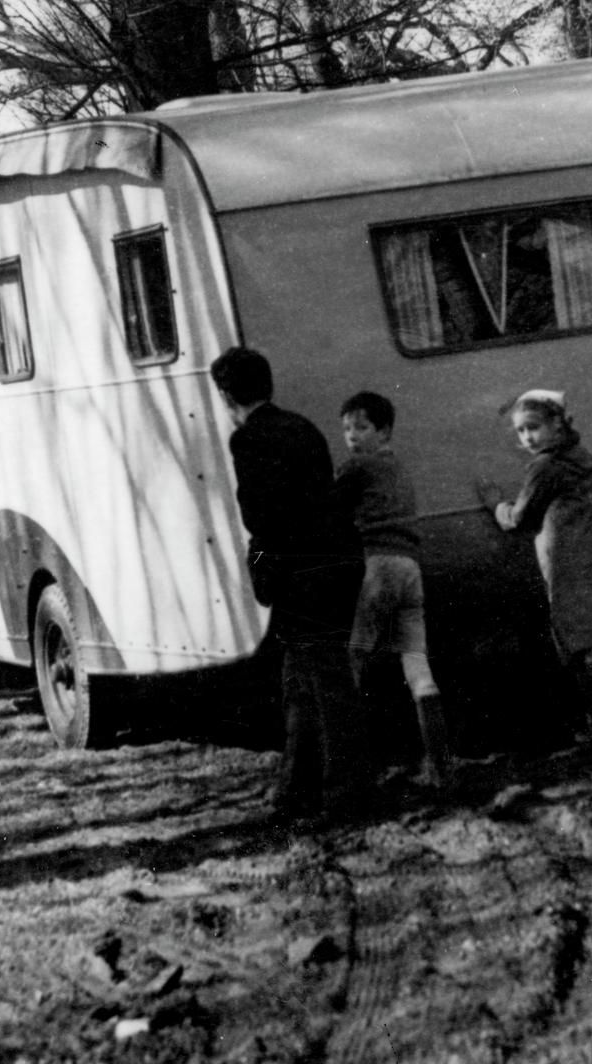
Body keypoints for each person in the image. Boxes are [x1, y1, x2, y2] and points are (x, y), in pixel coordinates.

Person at [211, 346, 368, 825]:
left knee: (320, 684)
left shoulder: (248, 440)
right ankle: (295, 789)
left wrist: (258, 567)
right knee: (303, 681)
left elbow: (259, 519)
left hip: (299, 572)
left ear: (225, 395)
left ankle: (345, 796)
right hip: (336, 560)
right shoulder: (303, 426)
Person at [335, 390, 454, 792]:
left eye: (361, 427)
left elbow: (331, 507)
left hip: (379, 565)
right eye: (347, 428)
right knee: (417, 664)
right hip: (409, 566)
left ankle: (355, 766)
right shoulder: (398, 467)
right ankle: (439, 766)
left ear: (383, 430)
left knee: (352, 660)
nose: (352, 436)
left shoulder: (357, 467)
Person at [490, 389, 592, 743]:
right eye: (520, 432)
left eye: (533, 428)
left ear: (556, 424)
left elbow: (519, 519)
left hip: (565, 560)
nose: (527, 438)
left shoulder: (544, 465)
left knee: (578, 641)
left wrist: (496, 506)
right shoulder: (582, 457)